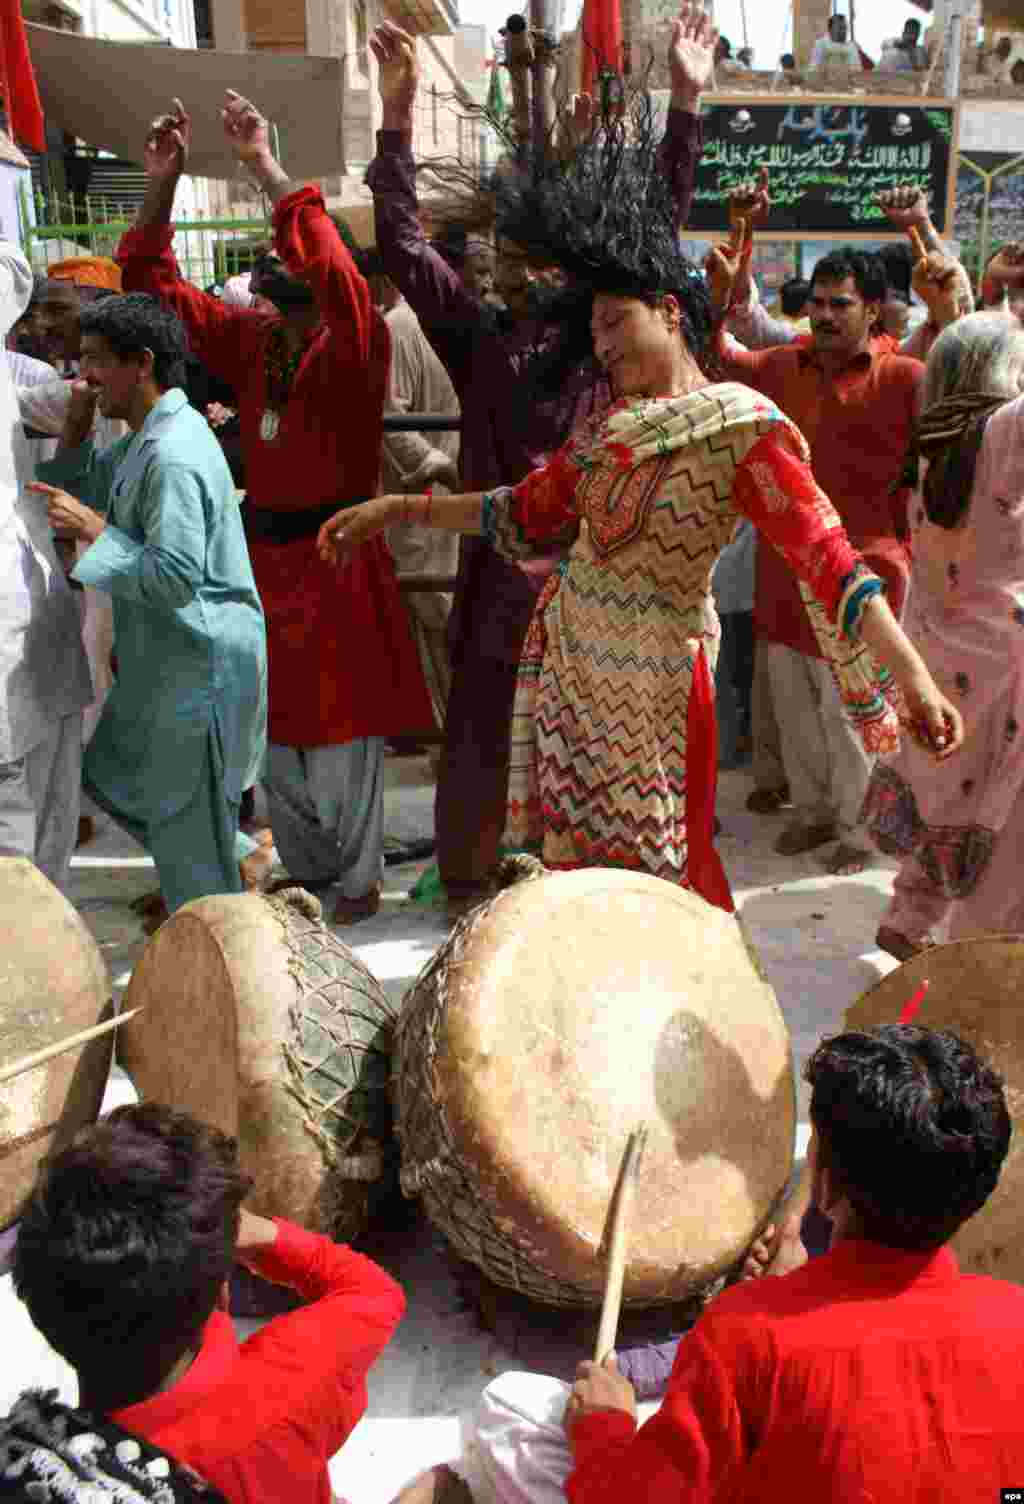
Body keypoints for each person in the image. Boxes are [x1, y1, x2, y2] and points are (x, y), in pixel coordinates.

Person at [320, 98, 963, 907]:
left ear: (668, 311)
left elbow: (831, 563)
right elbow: (519, 510)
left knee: (671, 887)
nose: (604, 344)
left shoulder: (740, 428)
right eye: (593, 331)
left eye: (616, 321)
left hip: (658, 695)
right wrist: (399, 511)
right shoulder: (612, 431)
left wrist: (913, 679)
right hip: (571, 690)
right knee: (580, 892)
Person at [366, 5, 715, 920]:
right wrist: (395, 115)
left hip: (596, 585)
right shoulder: (475, 338)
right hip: (498, 583)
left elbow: (651, 228)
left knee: (595, 763)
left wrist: (685, 101)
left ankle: (589, 905)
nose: (503, 262)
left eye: (524, 249)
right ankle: (476, 906)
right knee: (479, 749)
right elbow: (400, 242)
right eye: (493, 246)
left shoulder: (589, 330)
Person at [409, 1023, 1024, 1504]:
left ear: (827, 1187)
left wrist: (605, 1427)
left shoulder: (749, 1332)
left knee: (515, 1404)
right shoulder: (1014, 1317)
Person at [119, 91, 433, 924]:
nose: (278, 311)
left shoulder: (357, 345)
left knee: (342, 733)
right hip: (263, 561)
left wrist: (264, 165)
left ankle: (358, 882)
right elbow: (156, 287)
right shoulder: (254, 342)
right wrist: (162, 186)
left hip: (335, 558)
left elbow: (336, 271)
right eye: (275, 297)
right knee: (274, 729)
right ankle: (307, 876)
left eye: (293, 299)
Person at [11, 1101, 406, 1503]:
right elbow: (373, 1291)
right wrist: (263, 1234)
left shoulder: (41, 1452)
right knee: (439, 1486)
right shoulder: (287, 1380)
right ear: (222, 1290)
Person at [27, 292, 268, 924]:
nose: (86, 376)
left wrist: (93, 530)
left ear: (141, 363)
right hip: (164, 663)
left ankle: (218, 959)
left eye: (97, 361)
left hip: (200, 662)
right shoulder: (143, 439)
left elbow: (176, 579)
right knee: (109, 771)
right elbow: (80, 486)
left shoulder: (172, 453)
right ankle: (236, 854)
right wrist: (76, 428)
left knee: (192, 858)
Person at [710, 241, 926, 875]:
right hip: (784, 572)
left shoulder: (905, 376)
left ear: (875, 310)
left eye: (841, 304)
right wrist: (723, 293)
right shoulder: (783, 365)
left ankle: (863, 836)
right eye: (818, 304)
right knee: (796, 700)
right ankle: (813, 814)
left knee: (854, 706)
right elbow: (719, 357)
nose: (825, 316)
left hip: (867, 572)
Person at [863, 314, 1024, 958]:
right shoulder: (1002, 434)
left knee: (944, 806)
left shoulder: (935, 446)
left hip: (936, 656)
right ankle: (974, 973)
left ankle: (913, 920)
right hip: (1000, 669)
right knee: (1003, 843)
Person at [0, 238, 92, 891]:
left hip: (39, 623)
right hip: (18, 630)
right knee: (19, 814)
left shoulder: (10, 376)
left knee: (46, 792)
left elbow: (69, 407)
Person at [363, 249, 461, 739]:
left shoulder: (412, 323)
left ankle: (450, 738)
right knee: (435, 622)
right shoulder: (403, 325)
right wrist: (434, 464)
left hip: (440, 503)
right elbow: (393, 419)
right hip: (427, 502)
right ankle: (446, 739)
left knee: (441, 624)